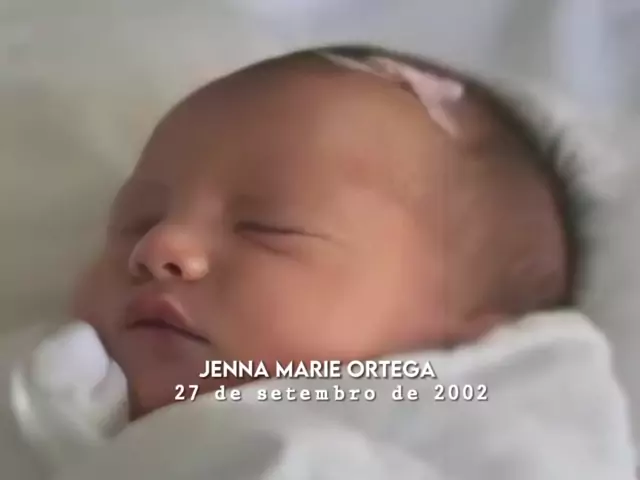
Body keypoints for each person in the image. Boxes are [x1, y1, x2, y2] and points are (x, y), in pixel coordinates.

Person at [10, 45, 637, 479]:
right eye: (136, 223)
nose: (159, 248)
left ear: (465, 337)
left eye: (266, 228)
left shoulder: (437, 437)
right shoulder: (52, 390)